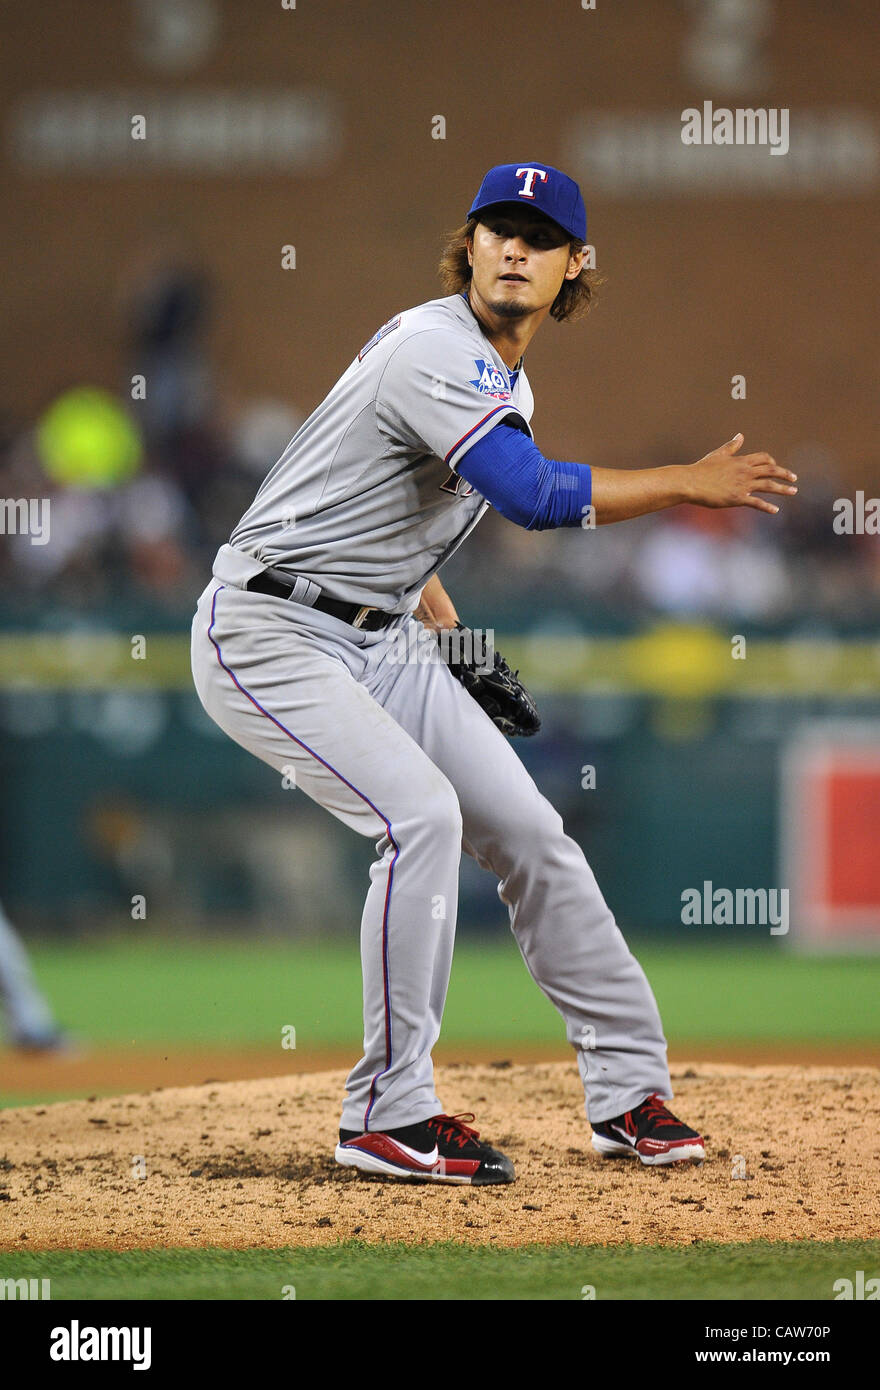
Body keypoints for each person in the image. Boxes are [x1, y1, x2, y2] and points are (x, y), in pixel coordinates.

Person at [191, 162, 797, 1185]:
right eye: (496, 229)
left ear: (573, 267)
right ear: (466, 248)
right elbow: (528, 492)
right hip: (268, 630)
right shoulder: (436, 344)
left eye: (538, 234)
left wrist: (460, 648)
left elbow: (404, 533)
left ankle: (629, 1096)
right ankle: (386, 1112)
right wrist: (685, 484)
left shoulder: (505, 379)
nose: (513, 247)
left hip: (380, 636)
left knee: (531, 836)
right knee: (419, 817)